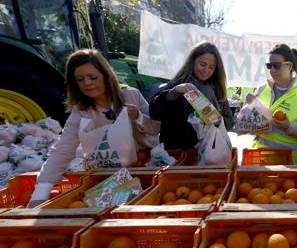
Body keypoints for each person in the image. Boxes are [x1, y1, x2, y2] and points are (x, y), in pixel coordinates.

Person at [28, 49, 160, 207]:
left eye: (93, 77)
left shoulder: (131, 96)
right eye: (80, 79)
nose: (87, 83)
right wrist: (42, 190)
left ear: (106, 75)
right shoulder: (81, 111)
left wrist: (138, 116)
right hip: (106, 177)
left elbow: (156, 129)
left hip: (143, 169)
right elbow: (63, 147)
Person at [149, 42, 234, 149]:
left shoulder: (218, 90)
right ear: (192, 61)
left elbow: (229, 120)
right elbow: (153, 112)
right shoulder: (177, 84)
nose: (206, 70)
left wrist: (220, 122)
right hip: (178, 153)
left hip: (210, 153)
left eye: (211, 67)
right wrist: (173, 92)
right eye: (202, 64)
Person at [246, 43, 297, 164]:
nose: (272, 70)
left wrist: (288, 127)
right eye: (269, 65)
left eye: (276, 65)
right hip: (260, 159)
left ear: (289, 66)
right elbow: (248, 123)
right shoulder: (261, 89)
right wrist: (248, 114)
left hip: (288, 164)